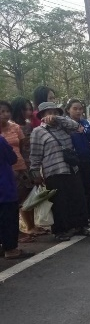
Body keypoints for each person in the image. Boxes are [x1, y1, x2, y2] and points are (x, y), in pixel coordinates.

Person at [29, 102, 90, 241]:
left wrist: (58, 118)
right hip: (54, 171)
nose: (52, 115)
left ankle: (79, 226)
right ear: (42, 115)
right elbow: (35, 155)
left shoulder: (63, 126)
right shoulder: (38, 132)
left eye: (55, 112)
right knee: (59, 202)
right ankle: (61, 230)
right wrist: (36, 174)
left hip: (71, 168)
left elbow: (76, 126)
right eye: (49, 113)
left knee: (78, 197)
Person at [0, 100, 38, 244]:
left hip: (20, 167)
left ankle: (28, 227)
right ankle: (14, 233)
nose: (5, 114)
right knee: (9, 204)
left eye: (7, 111)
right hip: (5, 171)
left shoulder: (15, 127)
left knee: (23, 199)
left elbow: (22, 147)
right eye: (2, 112)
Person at [65, 99, 90, 224]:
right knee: (78, 189)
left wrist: (84, 130)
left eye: (80, 109)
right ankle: (80, 215)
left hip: (87, 159)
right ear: (68, 110)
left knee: (89, 187)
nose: (78, 111)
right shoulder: (65, 124)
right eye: (75, 109)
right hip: (74, 161)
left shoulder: (85, 122)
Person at [0, 135, 25, 259]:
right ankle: (10, 249)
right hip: (4, 186)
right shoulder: (0, 140)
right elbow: (12, 158)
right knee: (8, 219)